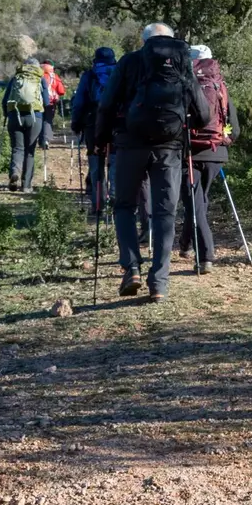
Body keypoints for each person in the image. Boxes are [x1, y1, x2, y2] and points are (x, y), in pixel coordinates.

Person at [94, 23, 209, 303]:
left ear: (144, 41)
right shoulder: (182, 62)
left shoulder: (130, 62)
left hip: (130, 144)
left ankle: (131, 268)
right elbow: (203, 114)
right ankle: (159, 283)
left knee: (124, 205)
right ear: (171, 41)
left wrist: (100, 138)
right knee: (164, 213)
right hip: (169, 148)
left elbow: (107, 104)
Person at [180, 44, 240, 274]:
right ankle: (185, 246)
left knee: (195, 205)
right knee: (197, 202)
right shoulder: (220, 86)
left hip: (189, 153)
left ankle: (206, 257)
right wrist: (223, 140)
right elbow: (234, 129)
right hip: (216, 154)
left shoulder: (185, 83)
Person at [70, 47, 117, 216]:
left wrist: (76, 122)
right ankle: (115, 203)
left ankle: (98, 205)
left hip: (93, 124)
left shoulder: (89, 75)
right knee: (114, 162)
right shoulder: (120, 73)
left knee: (96, 163)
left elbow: (79, 101)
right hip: (117, 123)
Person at [1, 58, 50, 191]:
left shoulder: (16, 78)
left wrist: (7, 114)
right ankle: (26, 185)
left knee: (17, 148)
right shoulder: (40, 79)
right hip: (35, 117)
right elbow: (46, 102)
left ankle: (14, 173)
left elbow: (5, 100)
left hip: (15, 116)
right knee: (30, 151)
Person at [40, 61, 67, 150]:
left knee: (38, 120)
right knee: (47, 121)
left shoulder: (37, 75)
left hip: (37, 102)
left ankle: (39, 140)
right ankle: (46, 140)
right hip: (50, 102)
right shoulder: (54, 76)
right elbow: (61, 91)